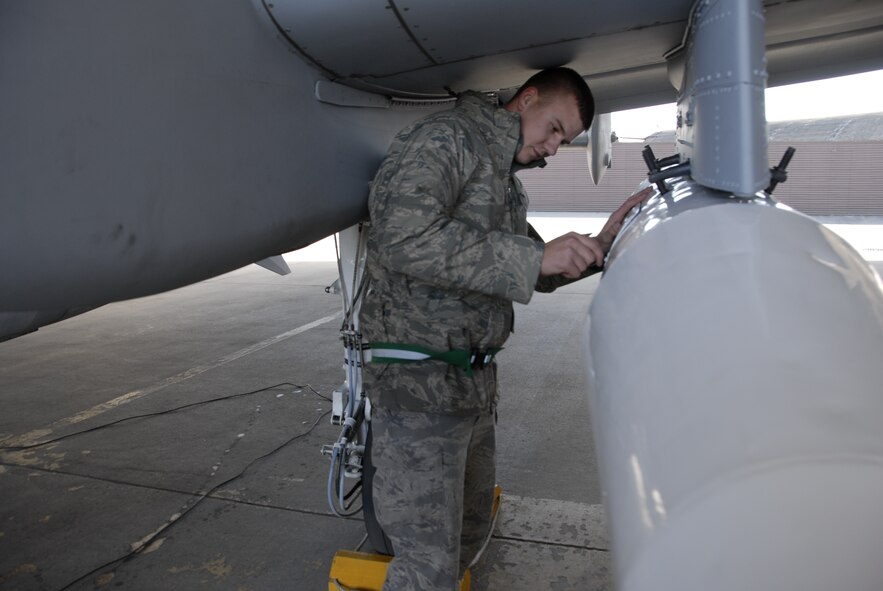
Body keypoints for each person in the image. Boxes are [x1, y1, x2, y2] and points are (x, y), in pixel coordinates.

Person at [360, 67, 651, 590]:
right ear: (527, 99)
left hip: (468, 390)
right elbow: (401, 237)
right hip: (417, 387)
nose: (552, 147)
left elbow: (533, 267)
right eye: (555, 129)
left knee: (468, 537)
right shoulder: (448, 139)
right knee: (426, 567)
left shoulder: (501, 180)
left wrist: (601, 244)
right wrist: (533, 257)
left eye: (565, 140)